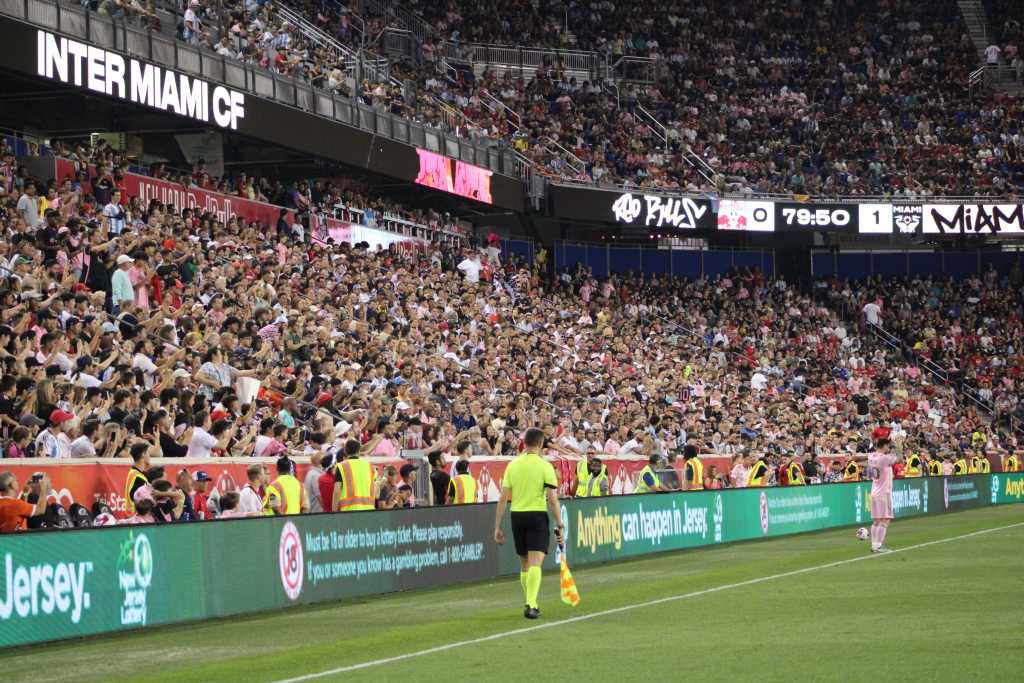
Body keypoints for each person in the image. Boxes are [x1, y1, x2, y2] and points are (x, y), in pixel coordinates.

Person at [493, 428, 563, 620]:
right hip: (537, 515)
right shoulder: (544, 466)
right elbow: (552, 499)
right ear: (540, 444)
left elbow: (502, 499)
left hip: (517, 515)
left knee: (524, 563)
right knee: (535, 562)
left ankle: (530, 601)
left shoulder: (512, 466)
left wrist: (497, 526)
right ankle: (531, 604)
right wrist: (560, 522)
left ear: (524, 443)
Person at [854, 438, 899, 553]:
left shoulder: (872, 456)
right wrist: (898, 446)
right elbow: (899, 458)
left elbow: (858, 459)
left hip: (875, 491)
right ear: (884, 446)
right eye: (888, 446)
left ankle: (875, 545)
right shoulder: (884, 458)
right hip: (884, 492)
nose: (889, 448)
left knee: (876, 521)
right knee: (885, 520)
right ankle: (878, 546)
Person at [332, 439, 378, 512]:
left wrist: (334, 511)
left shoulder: (341, 466)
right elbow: (375, 491)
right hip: (368, 510)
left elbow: (337, 491)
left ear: (345, 451)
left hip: (349, 511)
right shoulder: (371, 467)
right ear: (359, 451)